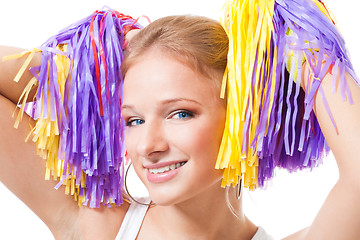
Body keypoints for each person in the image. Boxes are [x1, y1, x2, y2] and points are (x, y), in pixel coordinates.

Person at [0, 0, 360, 239]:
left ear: (243, 117)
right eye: (133, 120)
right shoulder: (94, 224)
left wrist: (307, 49)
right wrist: (87, 70)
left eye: (180, 113)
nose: (148, 146)